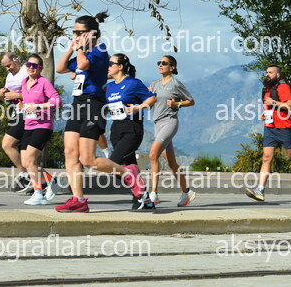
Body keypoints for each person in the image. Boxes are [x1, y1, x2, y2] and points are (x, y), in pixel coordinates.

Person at [55, 12, 146, 213]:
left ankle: (127, 173)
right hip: (77, 105)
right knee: (70, 152)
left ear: (92, 33)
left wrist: (80, 48)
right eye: (73, 32)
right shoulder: (81, 52)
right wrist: (71, 48)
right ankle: (78, 199)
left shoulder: (100, 51)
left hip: (93, 105)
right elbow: (60, 68)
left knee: (88, 159)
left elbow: (82, 65)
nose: (75, 35)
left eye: (79, 32)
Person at [245, 65, 291, 202]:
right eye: (266, 72)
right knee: (266, 158)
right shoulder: (266, 89)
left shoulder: (283, 87)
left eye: (271, 72)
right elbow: (269, 107)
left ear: (278, 75)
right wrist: (265, 114)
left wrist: (274, 102)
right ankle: (260, 190)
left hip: (283, 127)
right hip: (269, 127)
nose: (267, 74)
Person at [106, 53, 157, 209]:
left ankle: (141, 193)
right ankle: (144, 200)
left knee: (113, 165)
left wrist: (138, 107)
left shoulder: (133, 83)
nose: (108, 67)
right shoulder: (108, 87)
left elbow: (152, 98)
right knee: (129, 165)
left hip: (132, 128)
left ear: (120, 67)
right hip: (116, 129)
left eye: (110, 64)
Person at [147, 55, 195, 207]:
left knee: (153, 154)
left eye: (164, 63)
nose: (160, 65)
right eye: (159, 63)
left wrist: (177, 104)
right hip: (157, 124)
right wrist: (148, 96)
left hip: (170, 122)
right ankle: (187, 192)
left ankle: (153, 194)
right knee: (172, 163)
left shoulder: (176, 84)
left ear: (172, 67)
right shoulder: (154, 84)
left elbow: (191, 101)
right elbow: (149, 105)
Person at [19, 54, 62, 205]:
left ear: (40, 69)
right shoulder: (24, 82)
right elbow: (27, 102)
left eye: (35, 65)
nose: (31, 67)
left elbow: (57, 101)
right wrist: (22, 106)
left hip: (43, 126)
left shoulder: (44, 82)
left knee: (30, 159)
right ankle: (52, 181)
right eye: (29, 64)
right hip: (28, 125)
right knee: (26, 162)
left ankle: (38, 194)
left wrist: (38, 106)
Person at [0, 52, 30, 192]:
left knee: (7, 144)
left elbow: (37, 94)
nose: (7, 69)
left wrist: (16, 95)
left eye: (9, 65)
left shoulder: (27, 71)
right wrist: (1, 96)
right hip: (15, 113)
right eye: (5, 67)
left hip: (27, 114)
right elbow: (8, 99)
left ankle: (25, 175)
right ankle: (45, 182)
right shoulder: (10, 76)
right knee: (26, 154)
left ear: (15, 59)